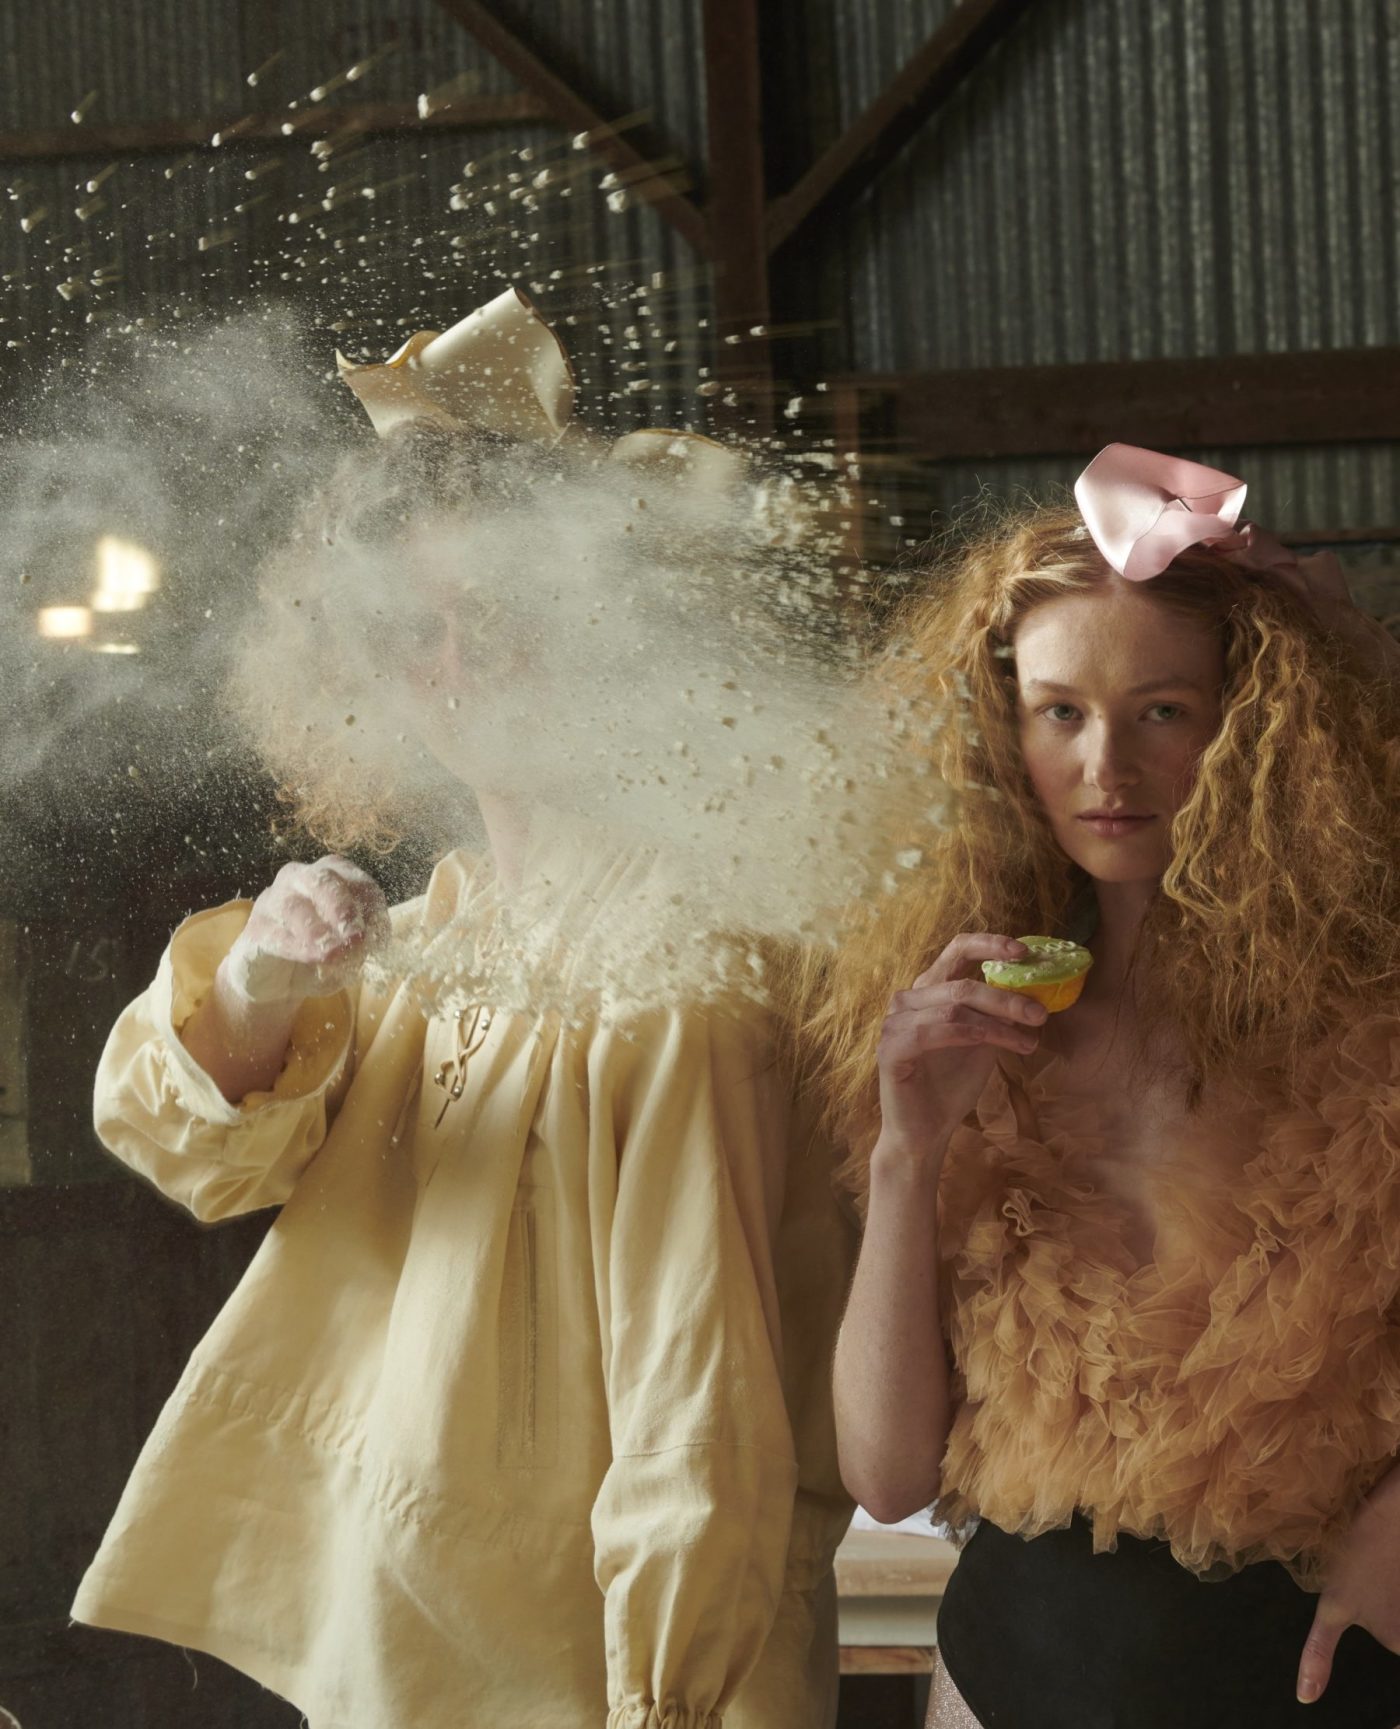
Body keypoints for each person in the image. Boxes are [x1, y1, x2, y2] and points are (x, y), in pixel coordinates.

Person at [71, 289, 856, 1729]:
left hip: (584, 1677)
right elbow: (193, 1146)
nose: (458, 664)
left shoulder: (681, 971)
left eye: (499, 614)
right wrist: (260, 979)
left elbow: (706, 1421)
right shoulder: (426, 942)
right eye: (412, 629)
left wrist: (673, 1707)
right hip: (378, 1650)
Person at [807, 444, 1400, 1728]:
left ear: (1252, 723)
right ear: (999, 727)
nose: (1104, 768)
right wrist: (907, 1154)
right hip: (998, 1689)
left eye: (1161, 711)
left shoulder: (1370, 1020)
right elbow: (887, 1471)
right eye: (1059, 711)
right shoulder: (956, 1032)